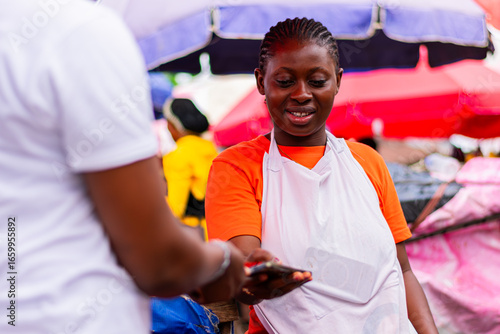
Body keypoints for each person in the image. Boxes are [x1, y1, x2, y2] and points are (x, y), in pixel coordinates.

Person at [0, 1, 267, 333]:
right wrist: (222, 261)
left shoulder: (178, 156)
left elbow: (170, 205)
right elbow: (159, 256)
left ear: (174, 127)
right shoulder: (82, 33)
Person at [206, 17, 439, 333]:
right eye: (285, 81)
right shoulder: (237, 168)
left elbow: (402, 270)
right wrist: (255, 275)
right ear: (261, 81)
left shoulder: (367, 162)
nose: (302, 94)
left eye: (317, 81)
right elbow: (245, 273)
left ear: (338, 81)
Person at [162, 98, 218, 239]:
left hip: (194, 236)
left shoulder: (178, 155)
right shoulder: (212, 149)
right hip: (218, 232)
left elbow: (175, 208)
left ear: (172, 125)